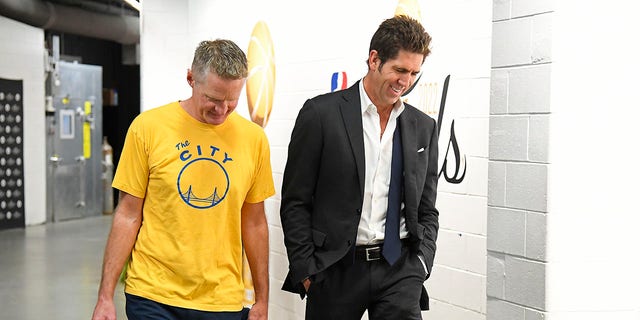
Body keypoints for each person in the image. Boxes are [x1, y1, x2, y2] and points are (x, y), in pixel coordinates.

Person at [91, 39, 275, 320]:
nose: (222, 110)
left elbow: (255, 222)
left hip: (221, 300)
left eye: (231, 101)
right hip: (153, 293)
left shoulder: (254, 140)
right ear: (191, 78)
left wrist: (262, 299)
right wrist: (105, 296)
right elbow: (128, 215)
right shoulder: (148, 128)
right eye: (213, 99)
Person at [280, 15, 439, 320]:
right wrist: (306, 270)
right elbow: (295, 202)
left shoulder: (423, 127)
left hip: (399, 269)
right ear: (374, 59)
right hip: (335, 269)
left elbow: (427, 207)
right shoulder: (320, 114)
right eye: (400, 70)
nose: (405, 82)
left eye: (414, 73)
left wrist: (421, 263)